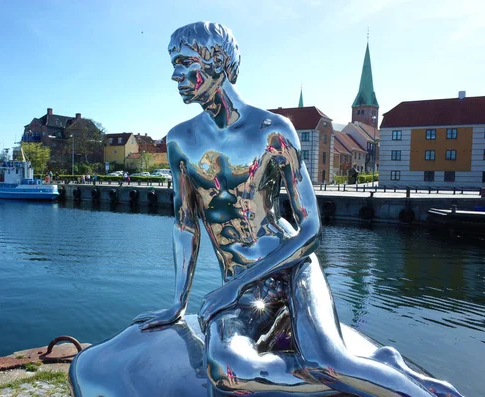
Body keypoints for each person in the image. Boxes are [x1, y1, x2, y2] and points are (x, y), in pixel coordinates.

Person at [134, 22, 462, 397]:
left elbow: (311, 229)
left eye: (183, 63)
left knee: (327, 362)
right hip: (240, 287)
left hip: (291, 265)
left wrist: (233, 288)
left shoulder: (273, 130)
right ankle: (375, 369)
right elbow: (185, 224)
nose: (175, 75)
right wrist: (177, 304)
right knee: (226, 371)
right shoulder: (180, 139)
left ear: (217, 62)